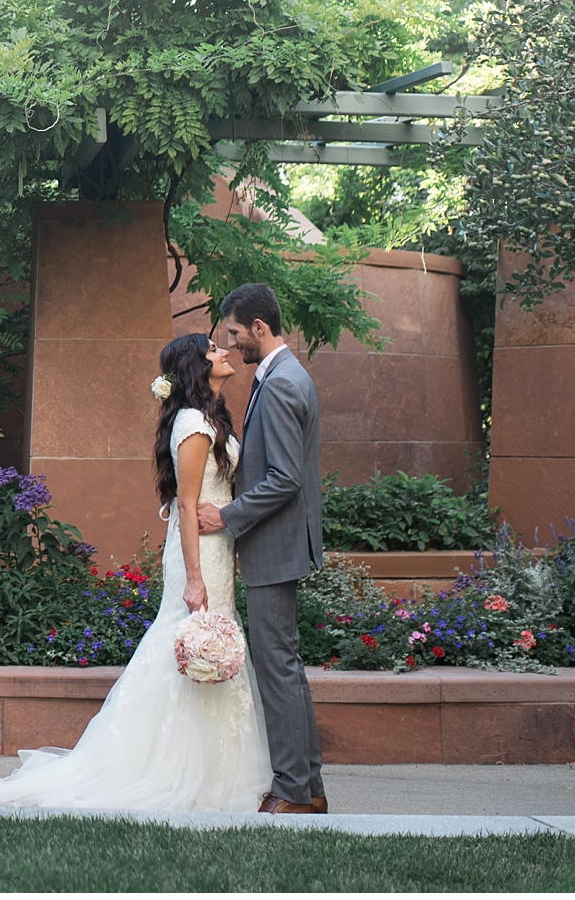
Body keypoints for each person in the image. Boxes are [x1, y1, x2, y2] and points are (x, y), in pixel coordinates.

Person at [0, 331, 270, 811]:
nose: (225, 352)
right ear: (195, 365)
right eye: (213, 349)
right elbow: (187, 506)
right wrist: (194, 578)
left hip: (216, 549)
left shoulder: (213, 417)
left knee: (212, 644)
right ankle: (168, 769)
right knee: (188, 644)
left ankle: (214, 767)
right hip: (197, 555)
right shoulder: (192, 423)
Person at [198, 281, 329, 814]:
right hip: (279, 544)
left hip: (273, 546)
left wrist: (226, 516)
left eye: (234, 332)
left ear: (258, 328)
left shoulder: (279, 384)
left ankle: (296, 791)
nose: (229, 345)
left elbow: (283, 479)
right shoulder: (282, 375)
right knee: (283, 665)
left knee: (278, 666)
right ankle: (309, 787)